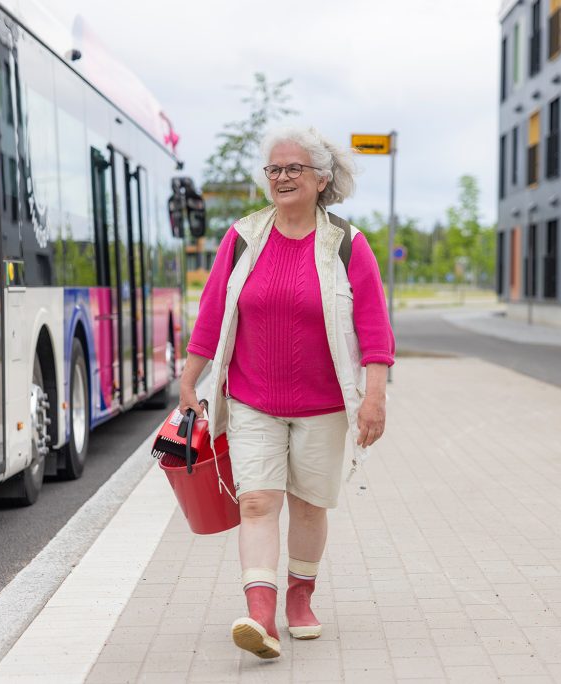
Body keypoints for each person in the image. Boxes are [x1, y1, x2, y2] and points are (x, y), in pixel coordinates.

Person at [178, 126, 395, 659]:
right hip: (253, 400)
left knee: (308, 506)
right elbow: (212, 314)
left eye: (293, 168)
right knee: (256, 501)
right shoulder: (244, 237)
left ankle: (300, 597)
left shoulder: (346, 244)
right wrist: (189, 379)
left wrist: (375, 395)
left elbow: (374, 326)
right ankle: (260, 616)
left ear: (322, 179)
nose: (281, 177)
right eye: (274, 169)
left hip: (323, 405)